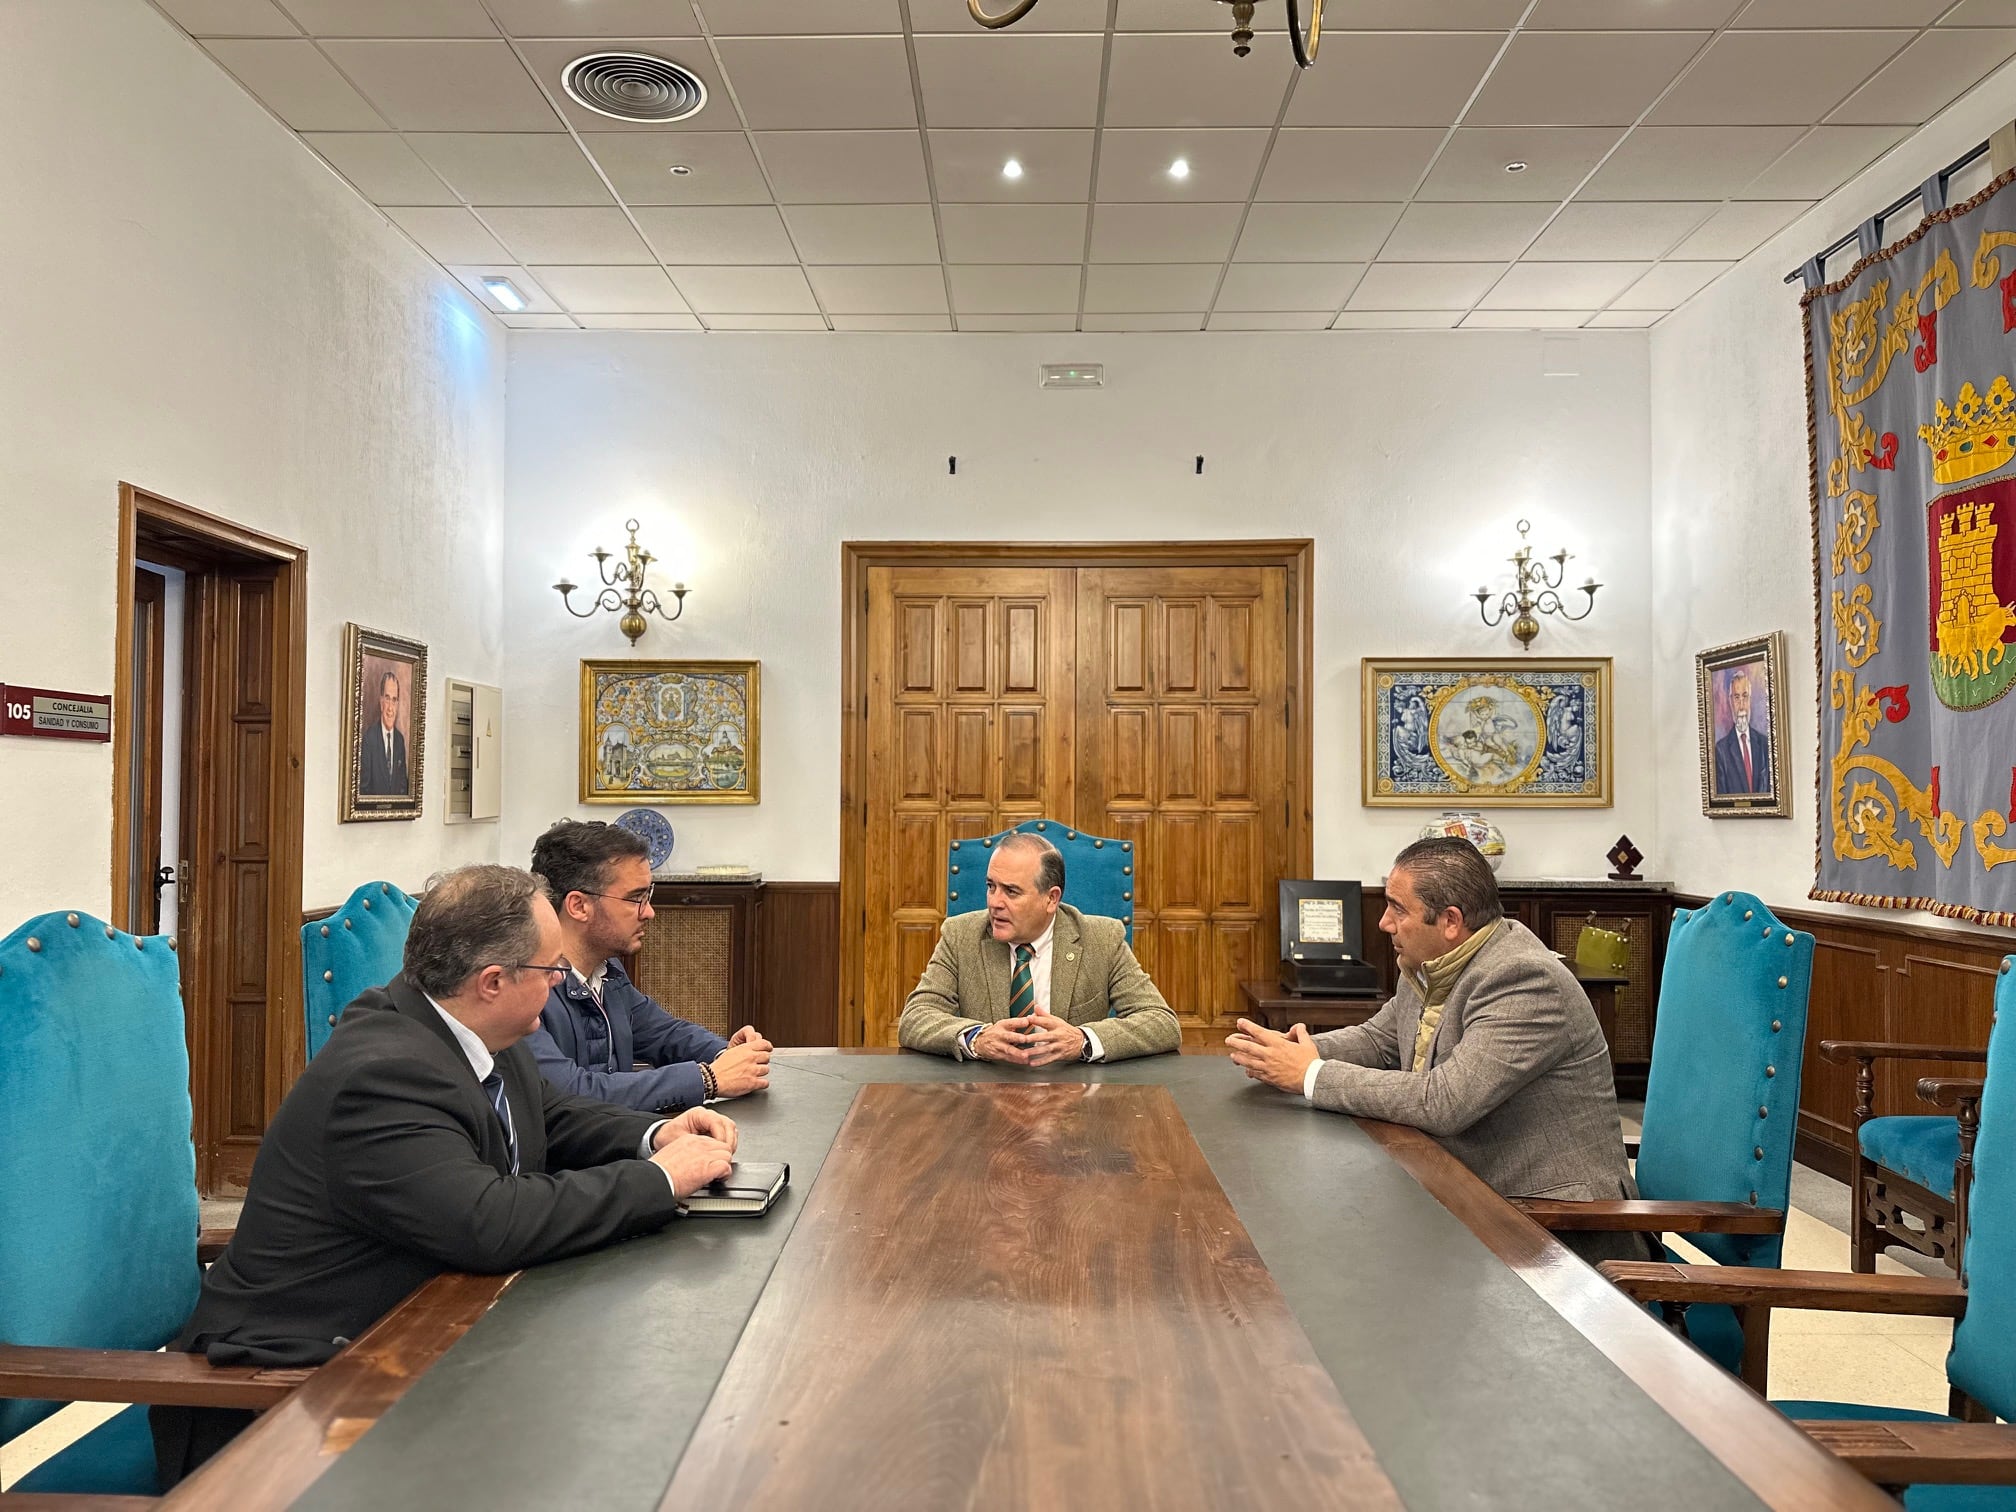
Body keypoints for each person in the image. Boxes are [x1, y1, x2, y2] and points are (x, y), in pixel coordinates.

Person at [151, 864, 738, 1486]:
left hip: (415, 1339)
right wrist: (659, 1182)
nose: (561, 981)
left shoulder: (470, 1022)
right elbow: (488, 1222)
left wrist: (653, 1135)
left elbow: (550, 1115)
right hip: (296, 1392)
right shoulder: (384, 1076)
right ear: (492, 981)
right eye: (551, 970)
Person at [1226, 837, 1645, 1264]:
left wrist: (1310, 1074)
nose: (1383, 923)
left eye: (1398, 908)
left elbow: (1444, 1101)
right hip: (1467, 1198)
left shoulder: (1523, 979)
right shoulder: (1433, 962)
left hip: (1555, 1236)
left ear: (1450, 921)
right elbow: (1380, 1040)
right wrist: (1291, 1050)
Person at [528, 819, 771, 1113]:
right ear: (579, 906)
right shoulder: (527, 989)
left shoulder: (607, 971)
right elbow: (571, 1093)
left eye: (648, 897)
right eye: (635, 899)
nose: (650, 912)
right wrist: (707, 1079)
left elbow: (666, 1034)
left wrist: (727, 1053)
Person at [899, 832, 1181, 1064]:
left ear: (1051, 899)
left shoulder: (1101, 939)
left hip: (1074, 1102)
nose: (995, 902)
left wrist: (1081, 1040)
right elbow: (916, 1017)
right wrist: (977, 1038)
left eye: (1011, 891)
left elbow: (1161, 1022)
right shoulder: (961, 935)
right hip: (983, 1099)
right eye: (990, 886)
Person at [1713, 667, 1773, 797]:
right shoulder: (1721, 751)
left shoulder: (1764, 745)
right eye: (1736, 697)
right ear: (1730, 702)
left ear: (1750, 700)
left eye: (1745, 697)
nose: (1741, 705)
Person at [357, 670, 408, 795]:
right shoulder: (369, 739)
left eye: (394, 700)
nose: (390, 708)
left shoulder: (400, 740)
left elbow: (403, 786)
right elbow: (363, 789)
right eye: (387, 698)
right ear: (381, 702)